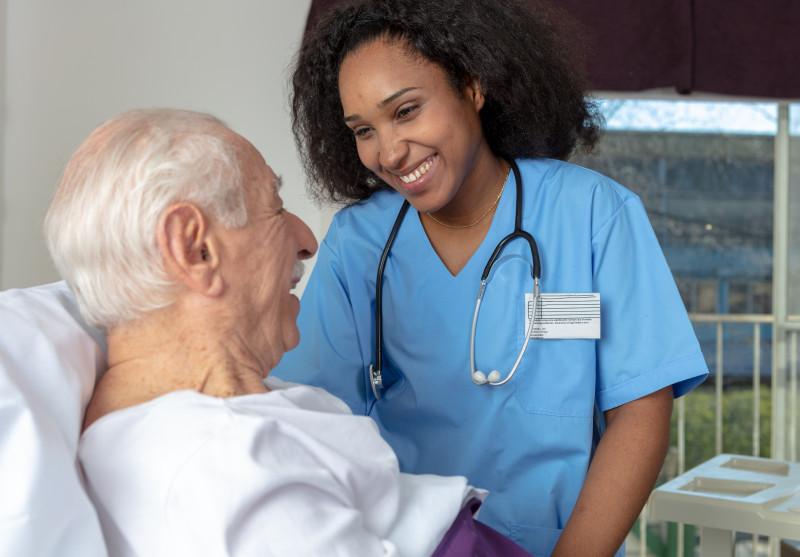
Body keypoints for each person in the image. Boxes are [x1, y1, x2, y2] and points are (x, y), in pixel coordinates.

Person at [272, 0, 710, 555]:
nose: (388, 151)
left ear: (473, 85)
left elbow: (641, 412)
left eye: (405, 110)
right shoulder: (358, 245)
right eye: (363, 129)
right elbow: (314, 416)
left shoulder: (593, 213)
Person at [44, 108, 534, 556]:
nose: (306, 240)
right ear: (195, 249)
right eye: (275, 208)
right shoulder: (227, 466)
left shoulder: (197, 418)